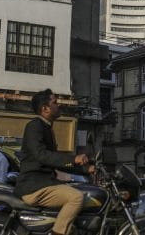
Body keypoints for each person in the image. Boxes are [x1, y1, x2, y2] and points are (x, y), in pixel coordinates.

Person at [14, 89, 92, 235]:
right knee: (76, 197)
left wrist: (87, 169)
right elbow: (41, 155)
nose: (59, 105)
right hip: (34, 186)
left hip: (43, 184)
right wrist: (74, 158)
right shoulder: (35, 126)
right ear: (45, 109)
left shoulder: (47, 128)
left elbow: (56, 161)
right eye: (55, 103)